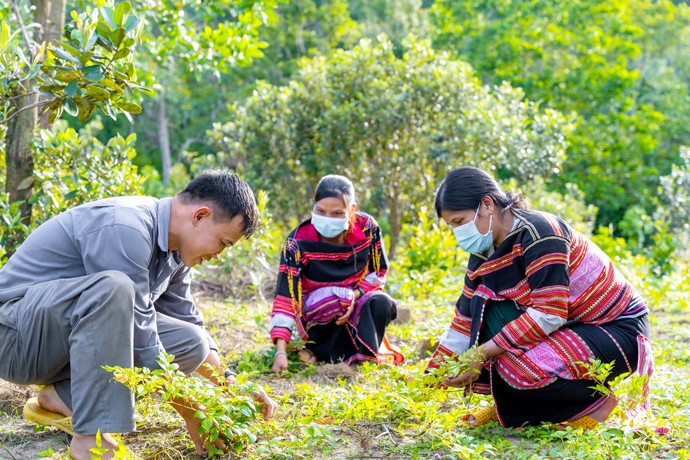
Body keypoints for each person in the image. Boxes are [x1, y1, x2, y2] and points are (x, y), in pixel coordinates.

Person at [0, 170, 278, 459]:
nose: (219, 254)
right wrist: (192, 412)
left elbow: (185, 319)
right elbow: (141, 335)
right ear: (200, 216)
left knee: (192, 341)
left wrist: (231, 383)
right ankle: (91, 439)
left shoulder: (175, 252)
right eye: (223, 243)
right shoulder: (125, 226)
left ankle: (62, 396)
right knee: (114, 289)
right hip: (16, 339)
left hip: (60, 342)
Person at [428, 166, 652, 429]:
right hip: (570, 325)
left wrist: (481, 353)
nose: (457, 233)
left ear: (487, 205)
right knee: (485, 314)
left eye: (459, 222)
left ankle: (598, 403)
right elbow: (465, 315)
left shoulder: (541, 233)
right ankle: (513, 405)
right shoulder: (484, 251)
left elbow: (550, 312)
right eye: (451, 226)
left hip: (615, 328)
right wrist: (438, 371)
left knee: (516, 369)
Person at [270, 174, 403, 373]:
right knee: (336, 297)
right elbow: (286, 297)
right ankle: (315, 350)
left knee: (382, 303)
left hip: (354, 301)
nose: (327, 218)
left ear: (352, 210)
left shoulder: (368, 228)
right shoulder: (297, 242)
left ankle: (361, 357)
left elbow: (378, 272)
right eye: (321, 211)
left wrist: (354, 297)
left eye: (337, 213)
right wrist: (280, 351)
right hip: (315, 312)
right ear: (313, 207)